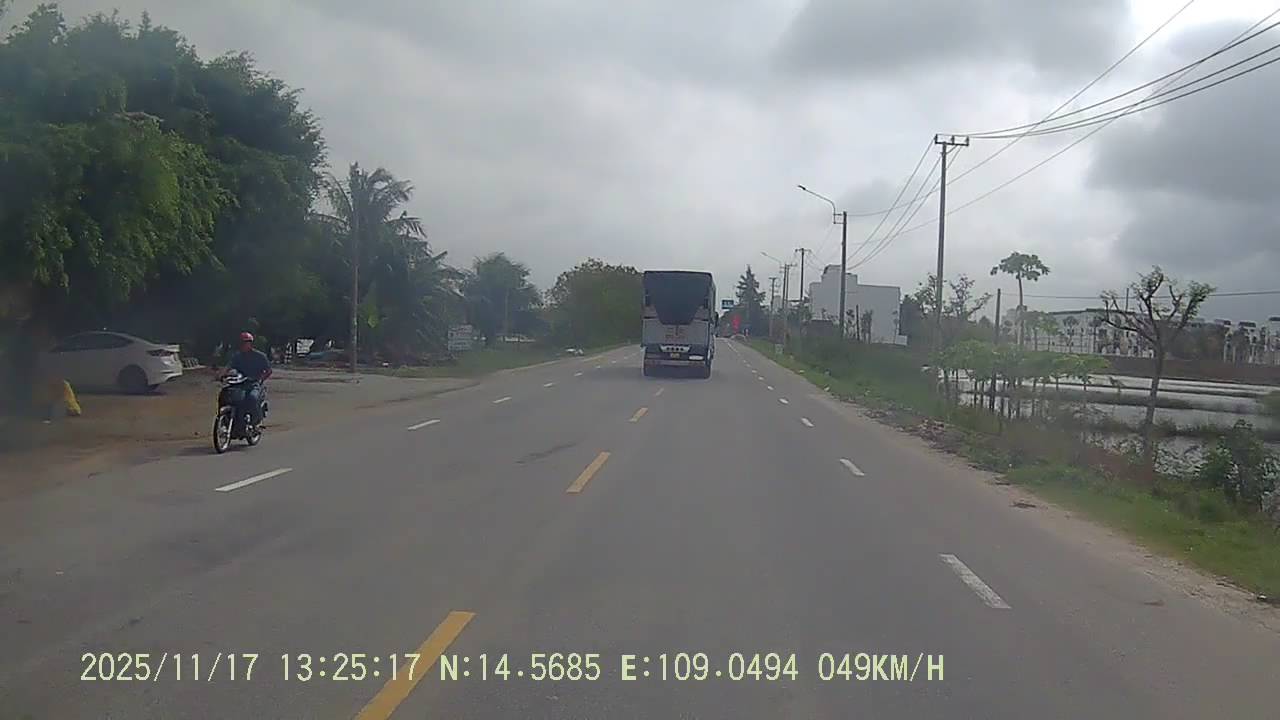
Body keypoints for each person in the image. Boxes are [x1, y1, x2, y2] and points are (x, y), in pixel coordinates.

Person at [222, 332, 272, 427]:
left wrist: (260, 380)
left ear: (251, 343)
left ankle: (254, 422)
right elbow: (228, 367)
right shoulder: (237, 356)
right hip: (239, 383)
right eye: (242, 342)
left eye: (246, 342)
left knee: (252, 398)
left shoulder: (260, 356)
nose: (244, 345)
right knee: (226, 395)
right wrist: (221, 375)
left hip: (253, 384)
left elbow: (269, 371)